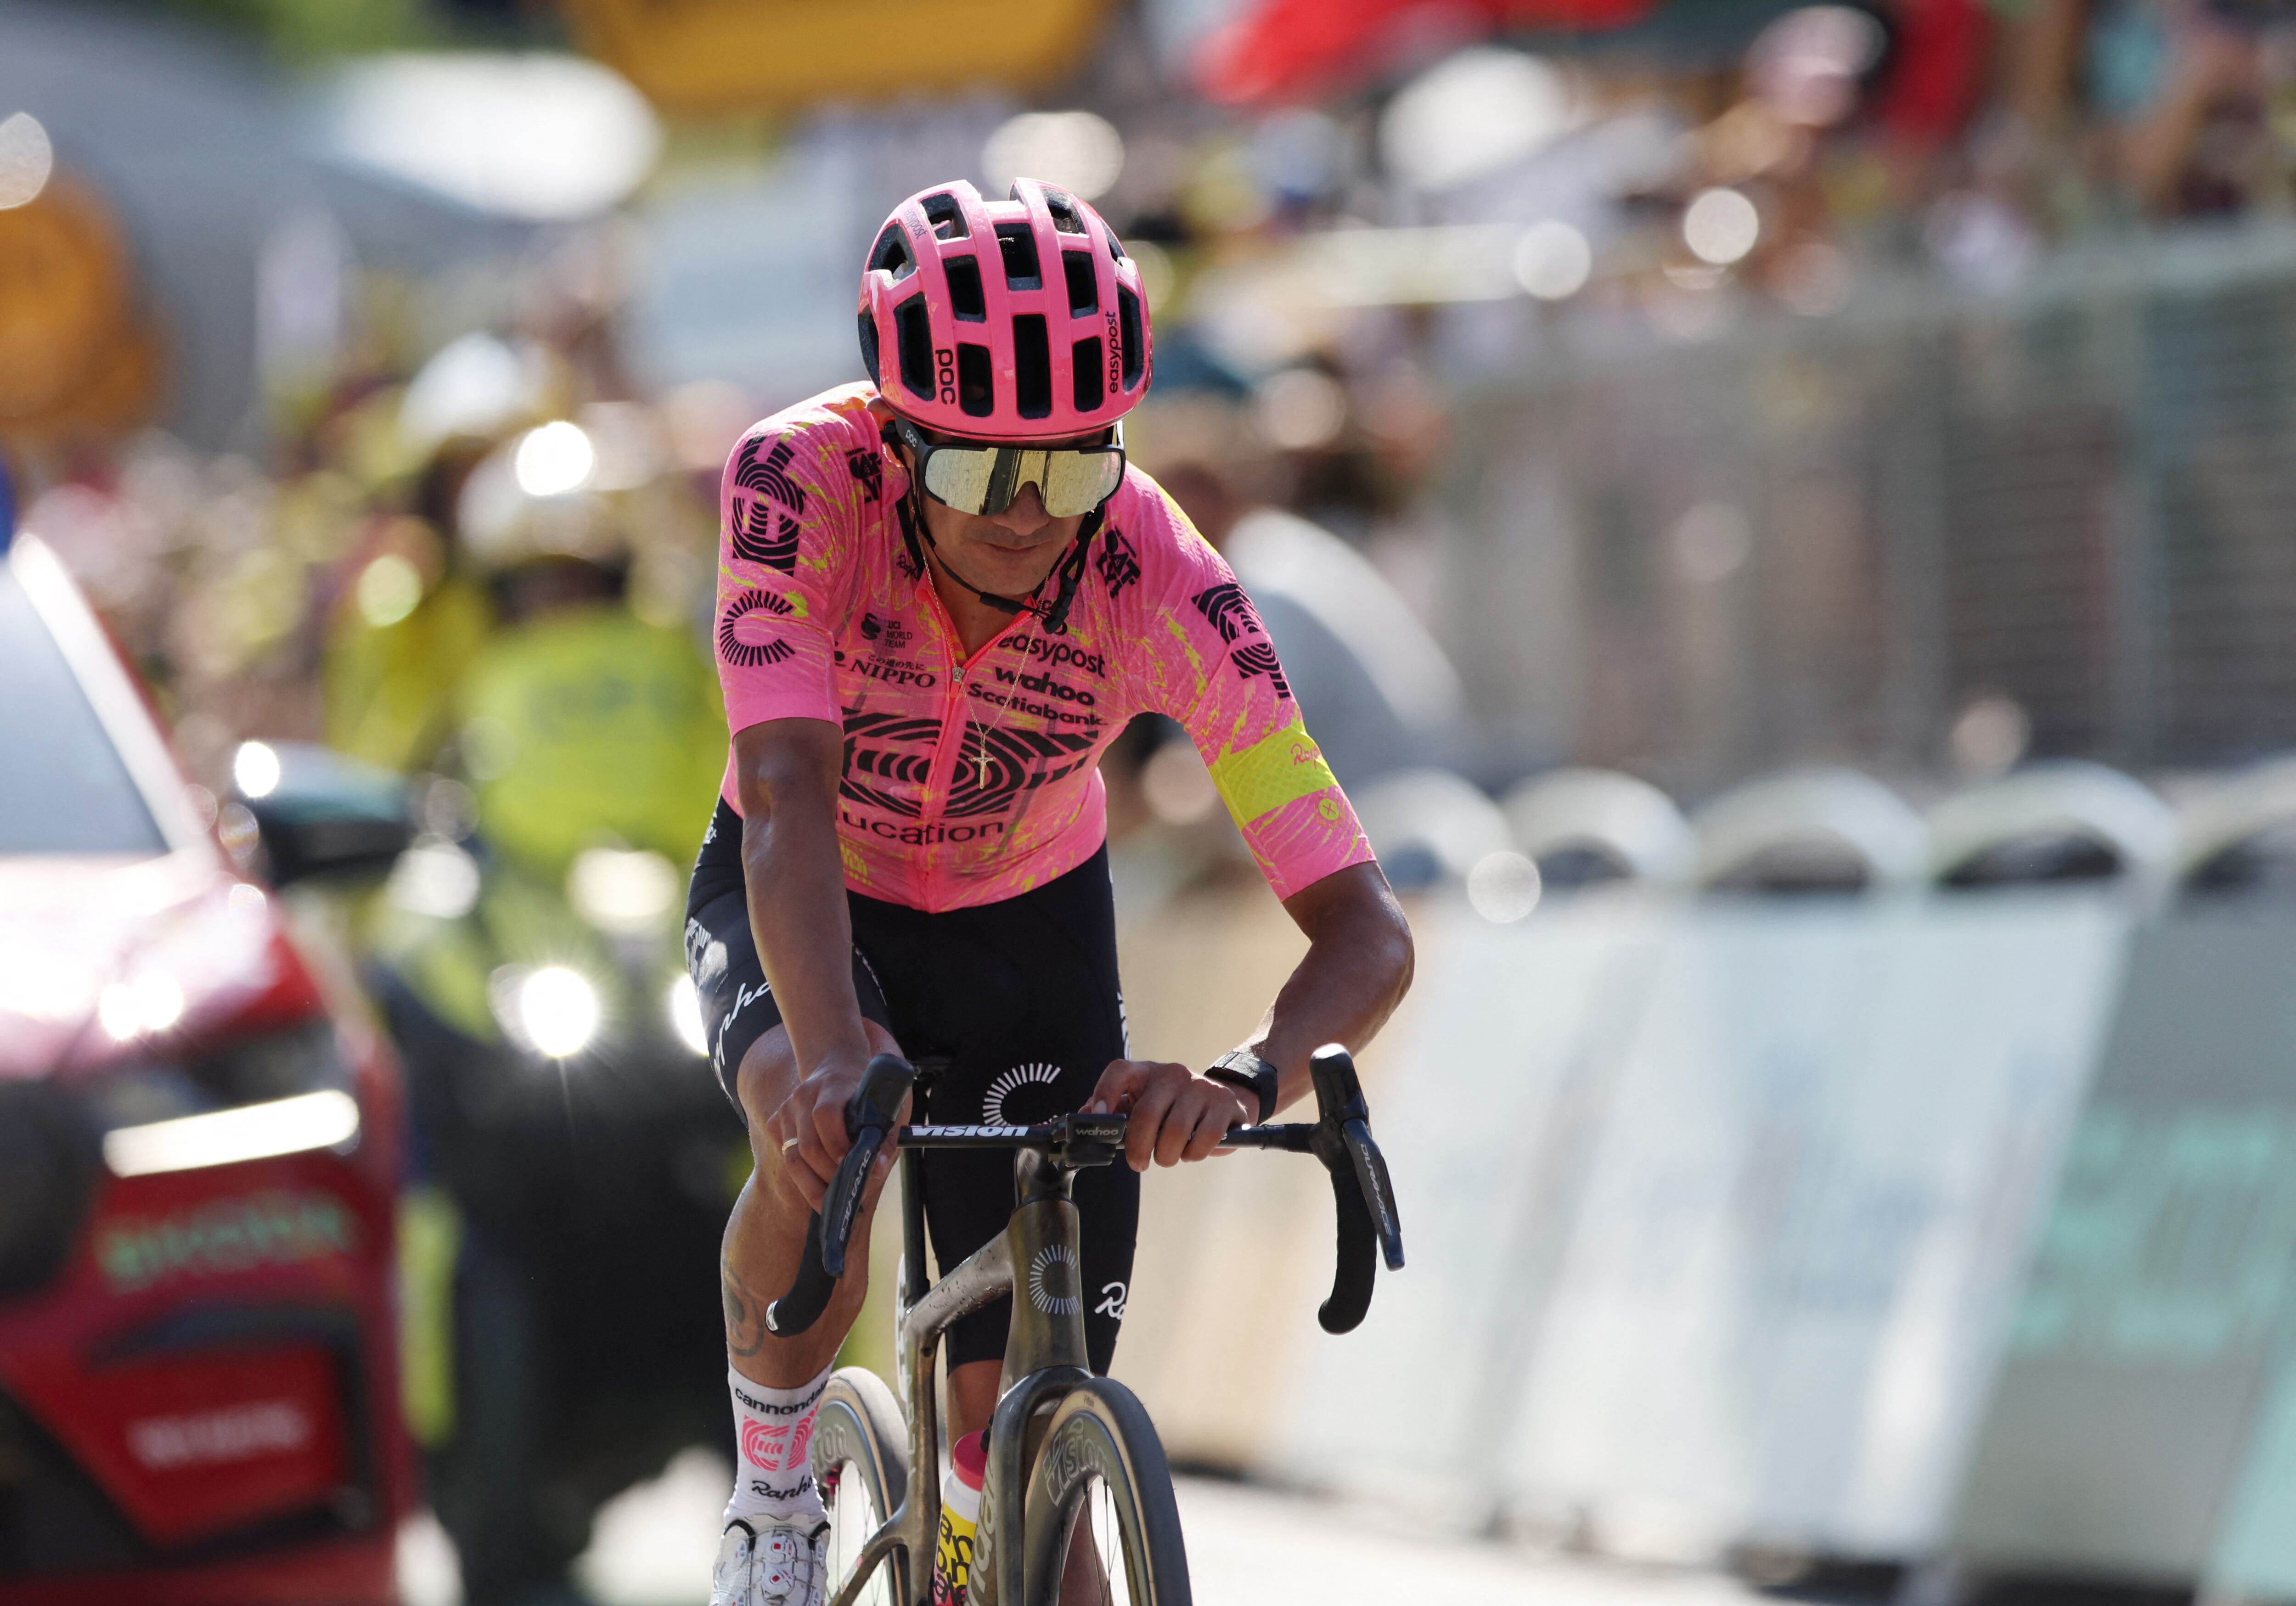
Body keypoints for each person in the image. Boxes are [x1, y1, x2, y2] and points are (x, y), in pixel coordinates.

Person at [687, 178, 1415, 1606]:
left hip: (1026, 923)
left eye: (1071, 472)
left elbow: (1366, 927)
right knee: (815, 1125)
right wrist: (838, 1048)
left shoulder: (1157, 567)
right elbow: (781, 792)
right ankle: (775, 1502)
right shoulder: (797, 480)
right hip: (811, 880)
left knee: (1029, 1460)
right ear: (899, 444)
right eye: (979, 475)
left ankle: (974, 1526)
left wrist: (1252, 1072)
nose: (1027, 521)